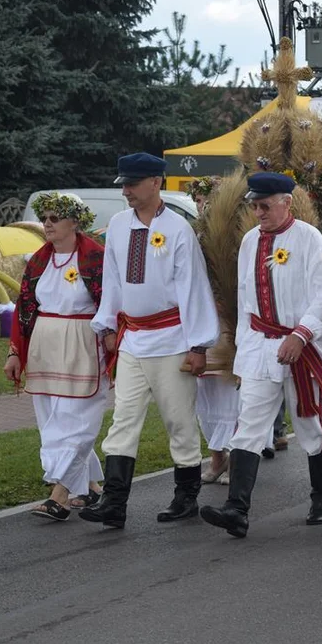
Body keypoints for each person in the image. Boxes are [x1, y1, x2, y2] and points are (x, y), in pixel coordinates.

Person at [200, 173, 322, 538]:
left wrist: (301, 336)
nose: (258, 212)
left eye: (265, 205)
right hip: (260, 346)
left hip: (304, 348)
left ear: (286, 201)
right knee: (249, 423)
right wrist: (244, 353)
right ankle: (236, 509)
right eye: (254, 206)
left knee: (310, 424)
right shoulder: (250, 242)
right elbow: (245, 299)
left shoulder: (309, 238)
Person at [80, 153, 221, 529]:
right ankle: (114, 501)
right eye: (123, 184)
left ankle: (186, 497)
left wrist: (199, 345)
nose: (125, 191)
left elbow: (193, 287)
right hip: (132, 340)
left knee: (179, 421)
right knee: (123, 419)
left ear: (156, 183)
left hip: (173, 340)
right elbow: (112, 280)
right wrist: (107, 324)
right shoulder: (119, 225)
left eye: (132, 184)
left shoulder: (177, 229)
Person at [5, 193, 105, 521]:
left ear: (74, 221)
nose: (47, 223)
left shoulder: (96, 259)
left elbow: (112, 305)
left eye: (55, 217)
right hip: (44, 345)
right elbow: (24, 308)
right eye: (44, 217)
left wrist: (113, 344)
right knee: (51, 418)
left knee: (76, 420)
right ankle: (89, 486)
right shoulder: (38, 261)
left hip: (82, 342)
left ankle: (59, 495)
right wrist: (15, 352)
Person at [186, 176, 240, 485]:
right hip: (200, 318)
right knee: (204, 389)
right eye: (198, 201)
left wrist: (224, 301)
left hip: (227, 320)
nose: (201, 206)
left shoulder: (234, 235)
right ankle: (216, 455)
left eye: (207, 200)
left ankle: (233, 456)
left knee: (228, 388)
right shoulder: (193, 233)